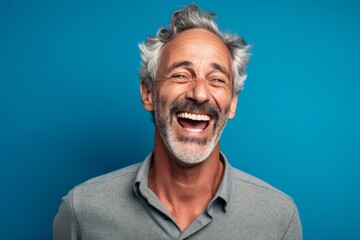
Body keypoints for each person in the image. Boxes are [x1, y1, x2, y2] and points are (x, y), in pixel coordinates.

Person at [53, 4, 302, 239]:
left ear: (233, 102)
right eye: (181, 75)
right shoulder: (81, 212)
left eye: (216, 79)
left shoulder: (278, 217)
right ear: (148, 92)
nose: (200, 93)